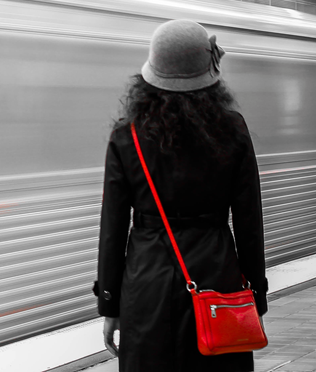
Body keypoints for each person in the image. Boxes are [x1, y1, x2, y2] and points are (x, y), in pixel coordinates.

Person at [94, 19, 267, 372]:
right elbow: (249, 220)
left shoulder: (126, 135)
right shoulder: (232, 128)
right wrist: (255, 300)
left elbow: (112, 227)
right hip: (217, 281)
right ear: (209, 73)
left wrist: (110, 306)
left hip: (147, 284)